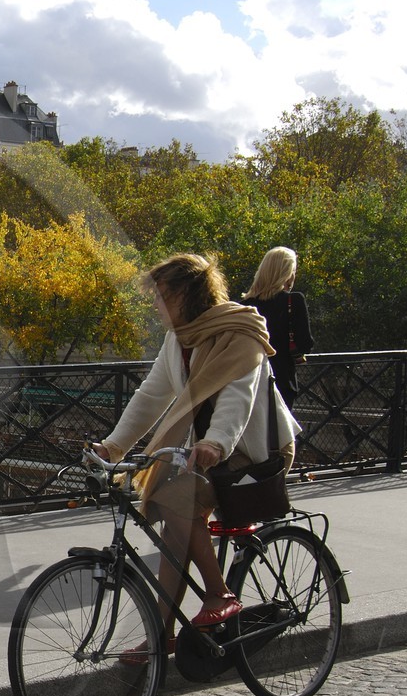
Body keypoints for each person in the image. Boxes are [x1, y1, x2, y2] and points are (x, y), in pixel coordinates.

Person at [91, 253, 300, 649]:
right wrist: (114, 445)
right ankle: (163, 634)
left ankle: (220, 594)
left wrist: (214, 442)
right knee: (175, 526)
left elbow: (238, 397)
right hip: (210, 451)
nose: (156, 305)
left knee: (174, 500)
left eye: (162, 296)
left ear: (187, 294)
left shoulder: (240, 332)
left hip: (254, 452)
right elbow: (151, 396)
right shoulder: (179, 339)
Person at [243, 246, 314, 406]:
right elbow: (305, 344)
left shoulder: (243, 306)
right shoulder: (294, 300)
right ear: (287, 273)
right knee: (279, 430)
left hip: (249, 382)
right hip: (281, 381)